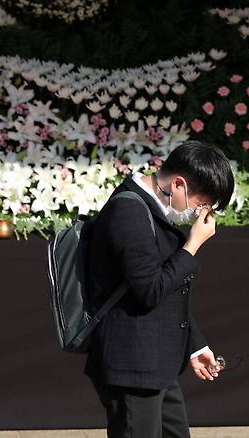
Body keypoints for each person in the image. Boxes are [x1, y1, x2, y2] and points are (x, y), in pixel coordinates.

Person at [84, 140, 235, 438]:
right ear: (178, 184)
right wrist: (193, 245)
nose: (199, 213)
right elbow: (150, 290)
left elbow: (165, 292)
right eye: (202, 203)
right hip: (132, 366)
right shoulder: (128, 210)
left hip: (155, 364)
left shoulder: (149, 210)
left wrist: (195, 345)